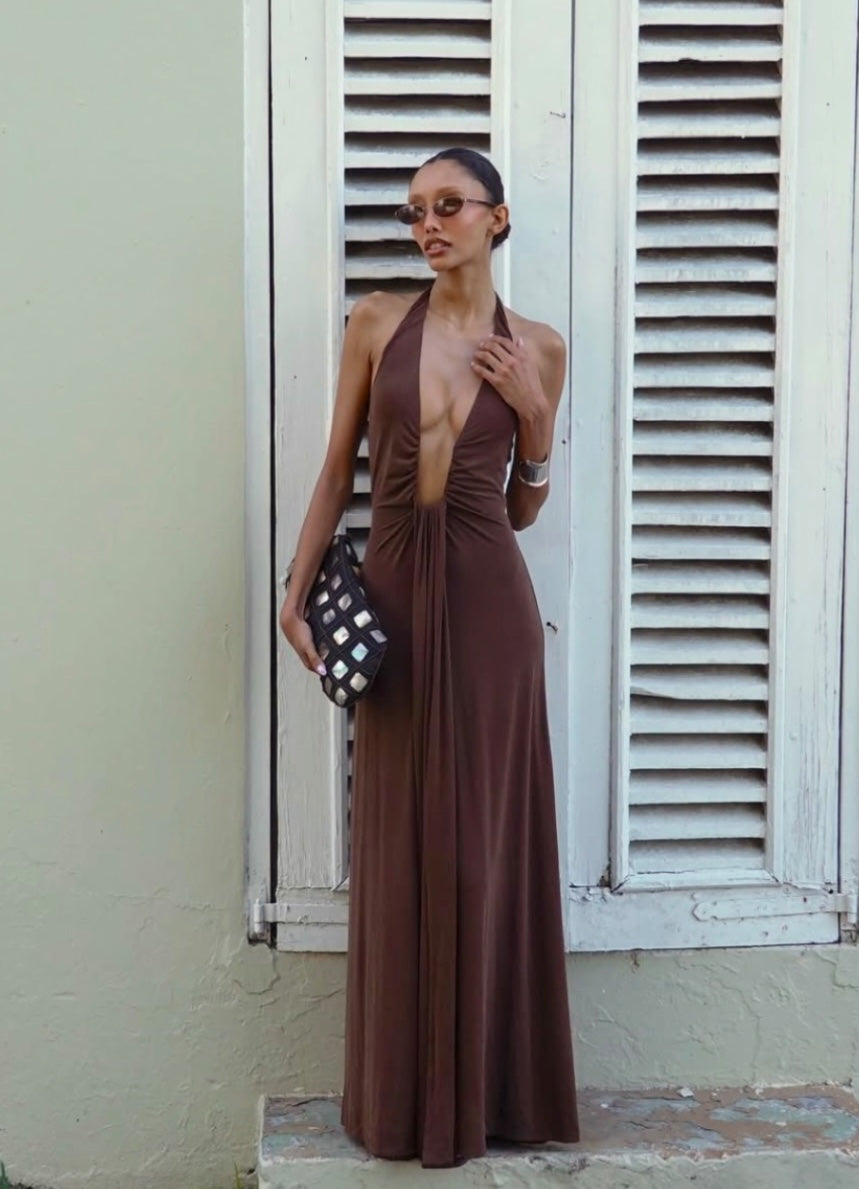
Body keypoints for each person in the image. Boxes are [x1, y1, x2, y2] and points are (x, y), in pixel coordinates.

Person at [279, 146, 579, 1168]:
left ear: (497, 220)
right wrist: (295, 588)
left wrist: (536, 420)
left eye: (448, 206)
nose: (427, 226)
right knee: (407, 835)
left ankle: (492, 1095)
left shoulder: (539, 344)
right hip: (396, 596)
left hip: (493, 605)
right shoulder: (375, 322)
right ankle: (408, 1101)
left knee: (481, 841)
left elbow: (523, 508)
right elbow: (335, 469)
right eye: (414, 212)